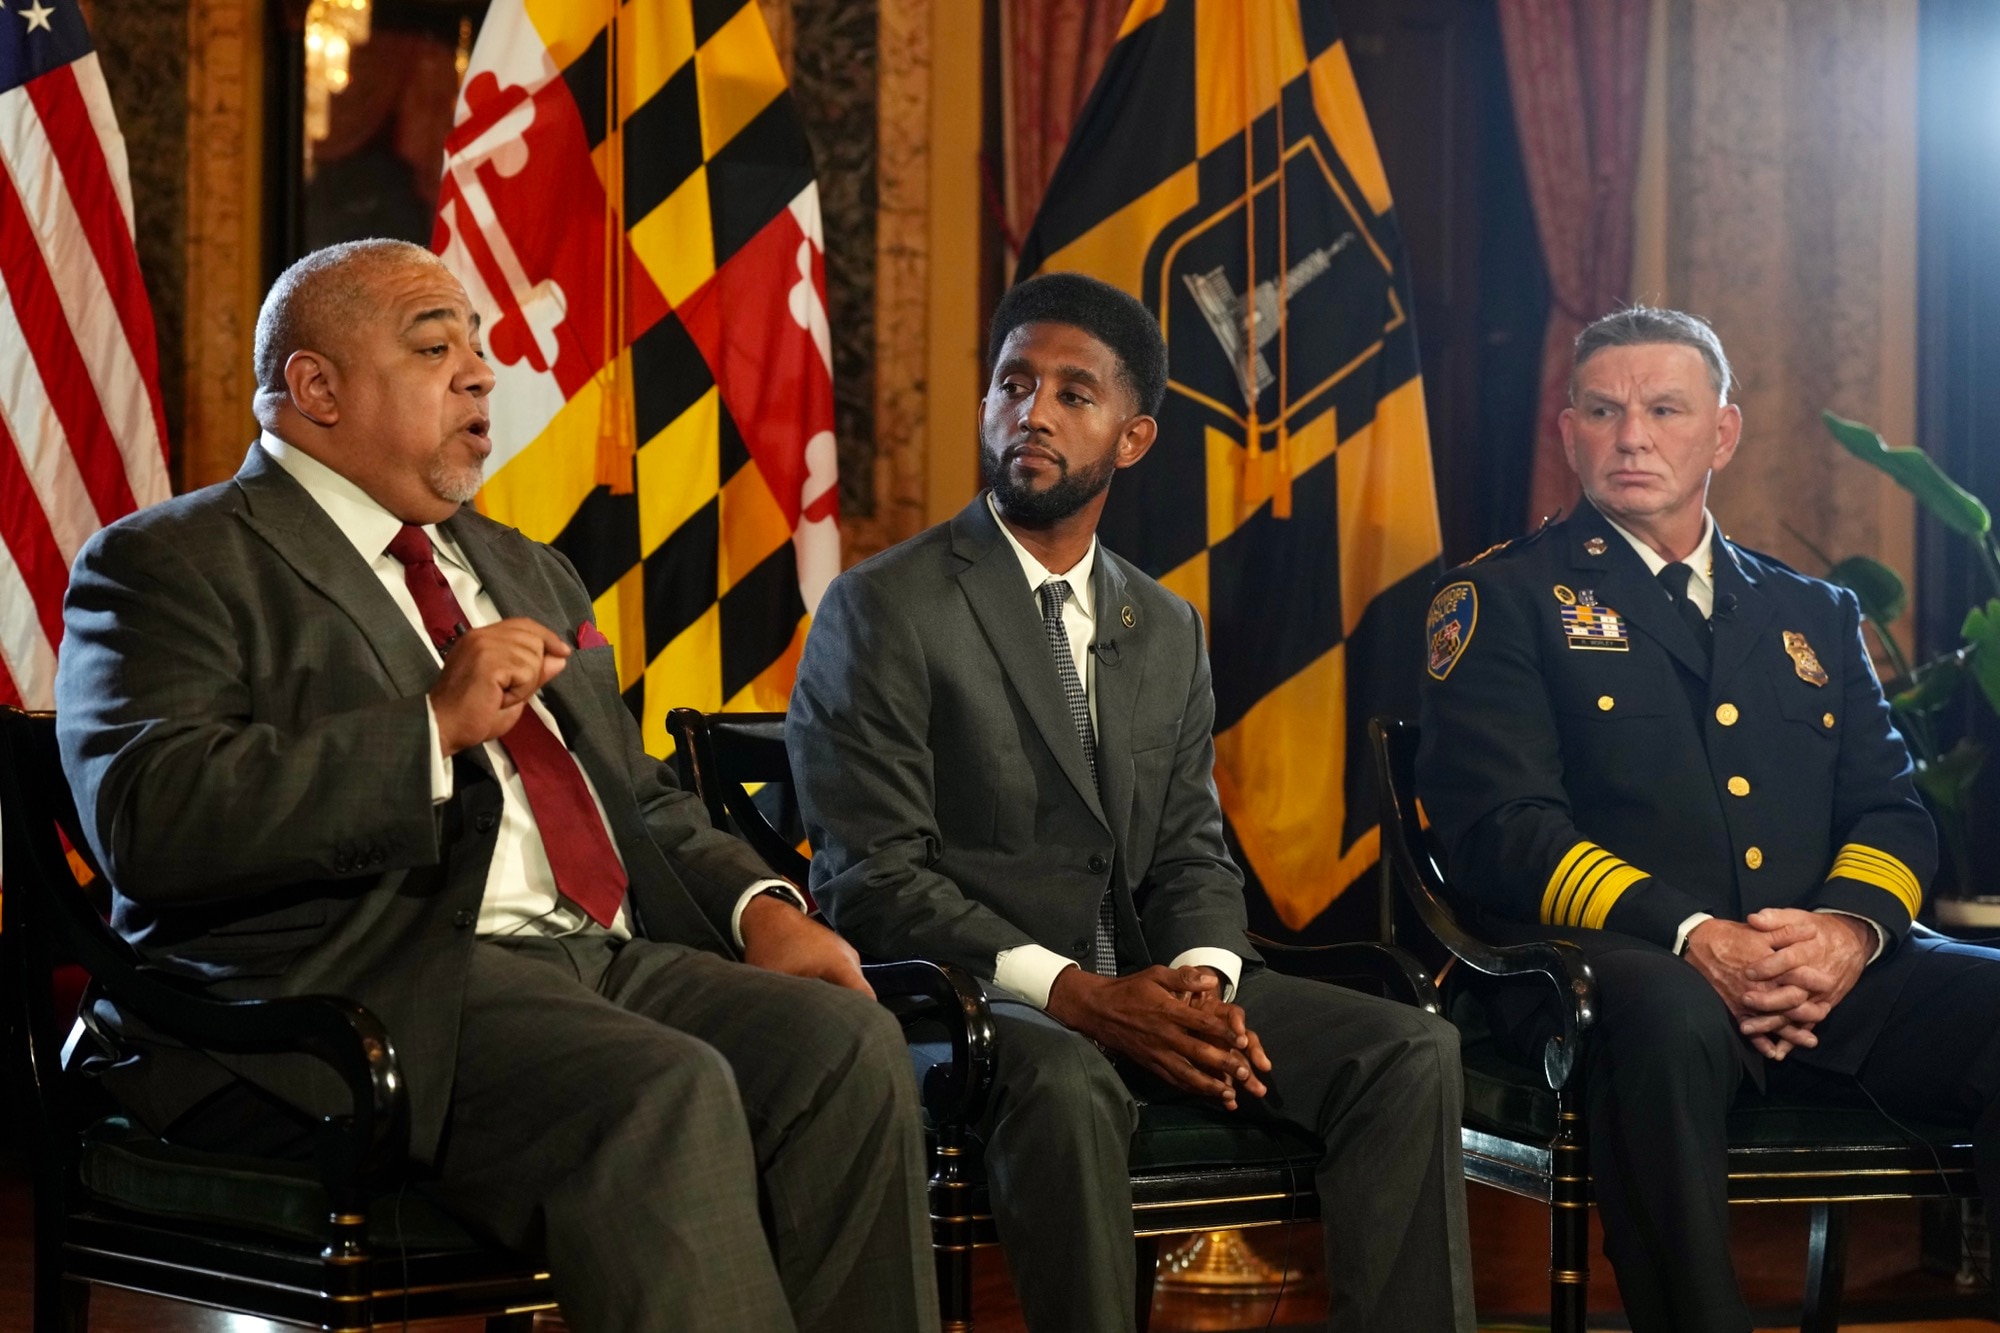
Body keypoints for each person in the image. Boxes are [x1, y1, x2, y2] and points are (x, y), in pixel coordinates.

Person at [54, 239, 938, 1333]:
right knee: (659, 1090)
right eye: (435, 347)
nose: (480, 373)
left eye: (478, 346)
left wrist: (759, 909)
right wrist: (427, 727)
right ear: (316, 388)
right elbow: (155, 819)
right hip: (356, 986)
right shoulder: (168, 563)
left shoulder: (525, 564)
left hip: (595, 957)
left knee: (843, 1047)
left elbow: (641, 799)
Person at [787, 271, 1476, 1333]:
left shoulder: (1165, 625)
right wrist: (1081, 995)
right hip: (977, 1005)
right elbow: (870, 879)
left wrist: (1199, 985)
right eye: (1012, 385)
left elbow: (1192, 851)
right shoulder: (884, 607)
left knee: (1407, 1050)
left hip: (1148, 984)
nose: (1033, 412)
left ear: (1132, 436)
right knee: (1068, 1083)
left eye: (1072, 393)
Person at [1416, 305, 2000, 1332]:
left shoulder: (1807, 613)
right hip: (1615, 969)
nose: (1629, 434)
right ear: (1567, 434)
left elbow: (1890, 809)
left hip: (1816, 975)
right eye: (1601, 410)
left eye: (1661, 408)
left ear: (1718, 434)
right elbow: (1502, 830)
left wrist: (1842, 933)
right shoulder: (1500, 598)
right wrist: (1695, 936)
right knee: (1666, 1010)